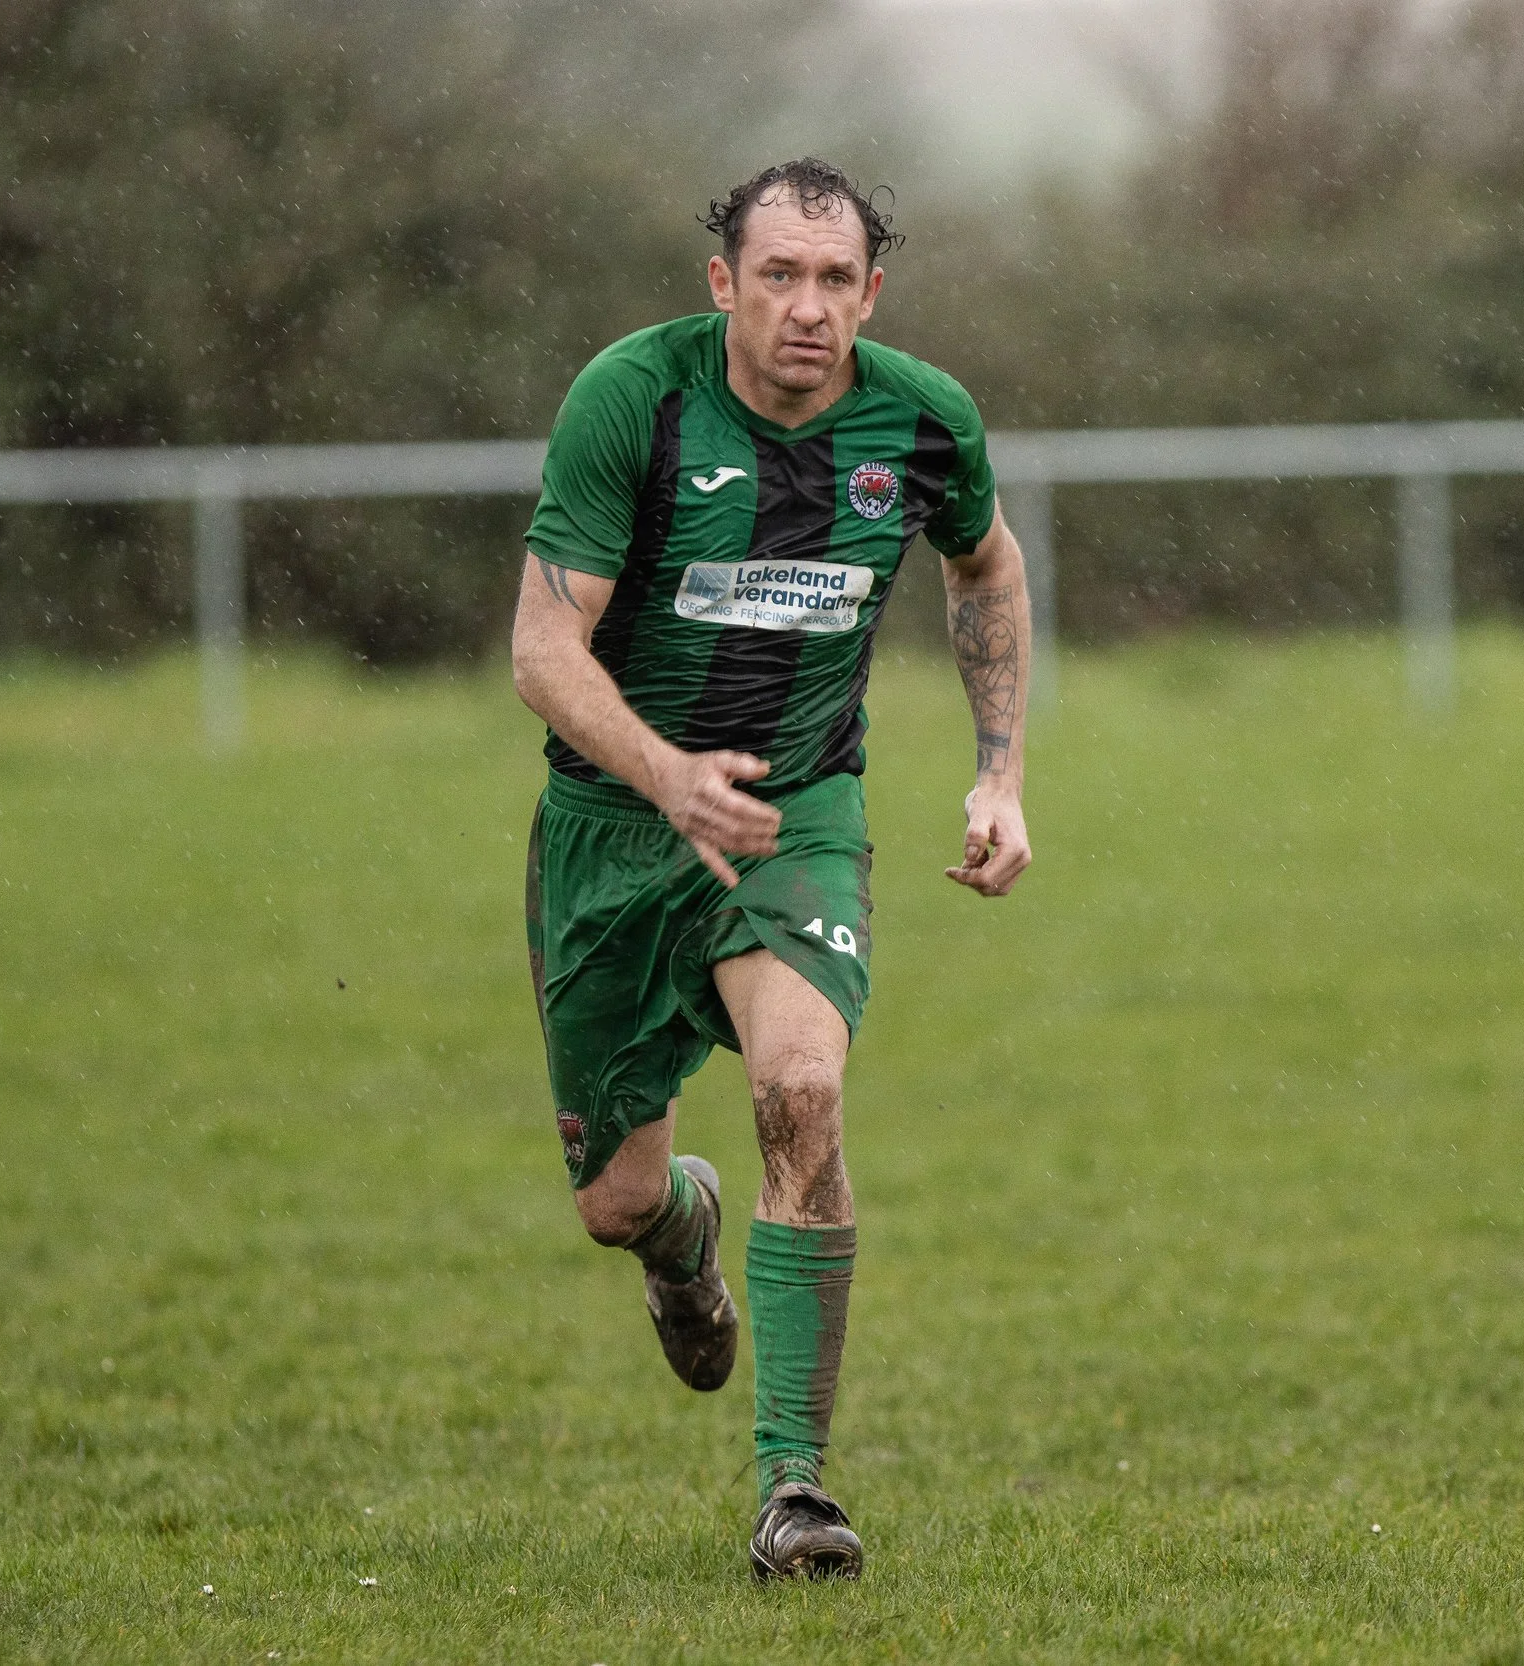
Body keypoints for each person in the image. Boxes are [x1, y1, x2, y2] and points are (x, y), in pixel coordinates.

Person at [510, 156, 1034, 1581]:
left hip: (797, 812)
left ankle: (795, 1490)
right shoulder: (636, 399)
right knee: (613, 1202)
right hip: (616, 828)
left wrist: (999, 771)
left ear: (873, 289)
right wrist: (665, 772)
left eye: (837, 280)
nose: (810, 307)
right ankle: (684, 1239)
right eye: (780, 276)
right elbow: (541, 648)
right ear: (723, 283)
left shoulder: (922, 420)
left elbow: (986, 567)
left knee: (801, 1088)